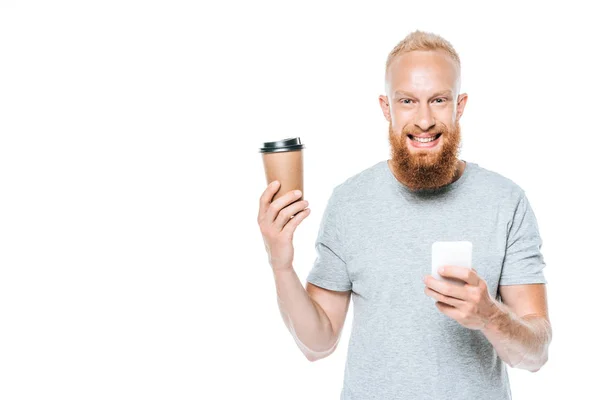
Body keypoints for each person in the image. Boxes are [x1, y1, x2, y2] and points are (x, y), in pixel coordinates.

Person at [257, 30, 552, 400]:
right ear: (387, 108)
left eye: (439, 100)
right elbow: (317, 345)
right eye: (408, 101)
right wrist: (280, 264)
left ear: (459, 106)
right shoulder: (350, 203)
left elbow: (536, 354)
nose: (424, 120)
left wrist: (490, 316)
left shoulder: (506, 202)